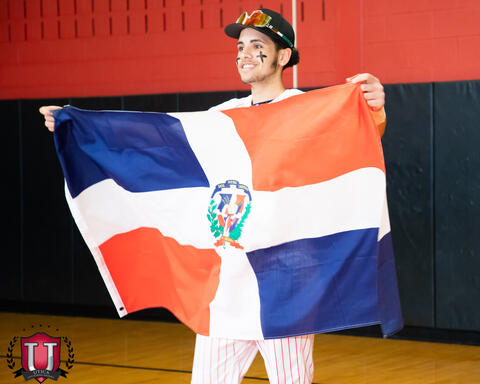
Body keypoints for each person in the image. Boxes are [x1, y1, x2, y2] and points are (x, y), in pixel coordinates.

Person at [40, 8, 387, 383]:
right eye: (240, 46)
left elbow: (355, 141)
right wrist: (77, 127)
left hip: (286, 284)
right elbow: (151, 144)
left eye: (258, 45)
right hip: (227, 285)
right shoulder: (222, 116)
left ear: (283, 56)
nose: (244, 53)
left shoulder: (308, 112)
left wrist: (375, 108)